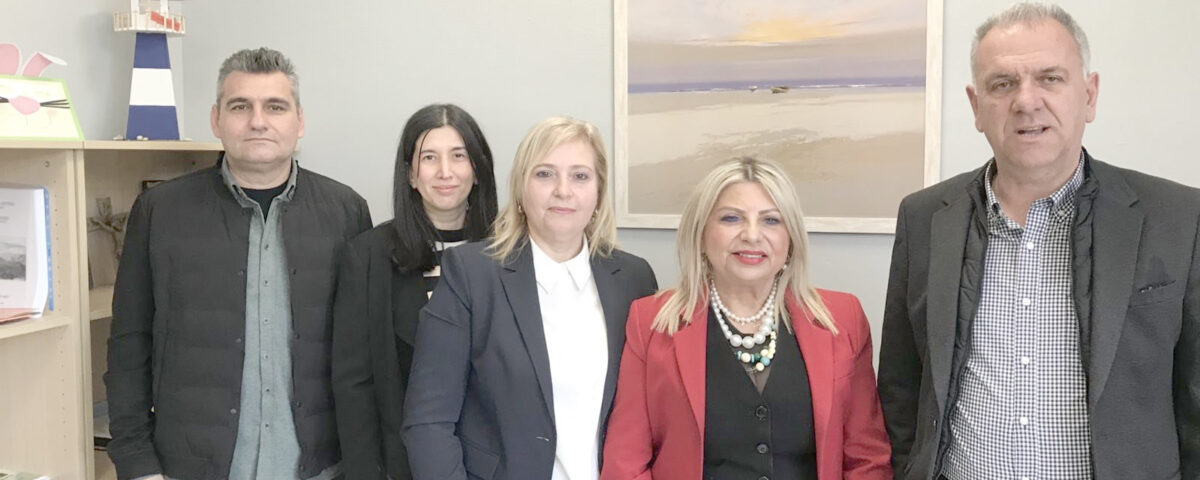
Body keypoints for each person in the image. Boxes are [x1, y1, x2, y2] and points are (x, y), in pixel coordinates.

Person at [878, 3, 1200, 479]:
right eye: (1002, 84)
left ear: (1089, 95)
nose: (1026, 101)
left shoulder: (1178, 218)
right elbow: (901, 386)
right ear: (976, 107)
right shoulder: (924, 218)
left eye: (1050, 78)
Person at [104, 47, 372, 480]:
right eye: (240, 106)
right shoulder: (160, 212)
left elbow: (364, 354)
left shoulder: (347, 212)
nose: (258, 121)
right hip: (190, 467)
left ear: (300, 121)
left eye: (275, 107)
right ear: (216, 119)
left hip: (321, 468)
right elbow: (129, 345)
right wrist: (137, 464)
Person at [601, 157, 891, 480]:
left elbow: (867, 459)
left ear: (791, 238)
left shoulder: (843, 319)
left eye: (771, 220)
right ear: (701, 233)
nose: (752, 235)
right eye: (731, 218)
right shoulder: (650, 322)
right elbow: (625, 464)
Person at [402, 116, 658, 480]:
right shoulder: (471, 274)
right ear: (521, 188)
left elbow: (649, 418)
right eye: (545, 174)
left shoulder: (634, 278)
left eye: (580, 176)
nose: (563, 190)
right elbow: (429, 422)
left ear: (599, 192)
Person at [332, 103, 499, 480]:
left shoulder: (512, 254)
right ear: (410, 173)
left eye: (459, 156)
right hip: (402, 465)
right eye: (429, 157)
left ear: (477, 169)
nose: (445, 172)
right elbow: (354, 386)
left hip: (495, 464)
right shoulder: (367, 256)